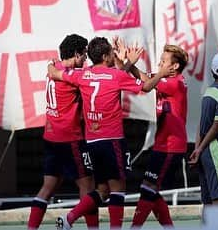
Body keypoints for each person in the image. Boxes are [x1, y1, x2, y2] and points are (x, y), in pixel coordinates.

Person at [49, 37, 175, 230]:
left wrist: (51, 66)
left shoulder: (83, 74)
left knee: (102, 190)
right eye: (111, 53)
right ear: (106, 56)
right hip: (113, 140)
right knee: (118, 190)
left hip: (92, 142)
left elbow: (57, 74)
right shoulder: (116, 76)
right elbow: (147, 86)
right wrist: (161, 73)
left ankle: (69, 219)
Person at [26, 34, 96, 230]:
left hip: (51, 137)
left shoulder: (54, 66)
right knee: (88, 188)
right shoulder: (72, 77)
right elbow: (99, 76)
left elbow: (52, 67)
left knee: (47, 188)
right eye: (84, 55)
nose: (86, 60)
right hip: (71, 138)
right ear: (76, 54)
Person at [131, 45, 189, 228]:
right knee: (150, 190)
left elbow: (148, 85)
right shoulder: (166, 79)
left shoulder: (175, 83)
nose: (159, 64)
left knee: (148, 190)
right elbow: (147, 79)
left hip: (171, 146)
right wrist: (125, 63)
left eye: (163, 62)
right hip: (162, 143)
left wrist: (130, 65)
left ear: (175, 67)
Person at [189, 52, 218, 209]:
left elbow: (200, 126)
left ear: (212, 72)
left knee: (208, 203)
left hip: (204, 151)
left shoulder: (208, 92)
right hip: (216, 149)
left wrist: (198, 150)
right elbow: (216, 127)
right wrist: (200, 149)